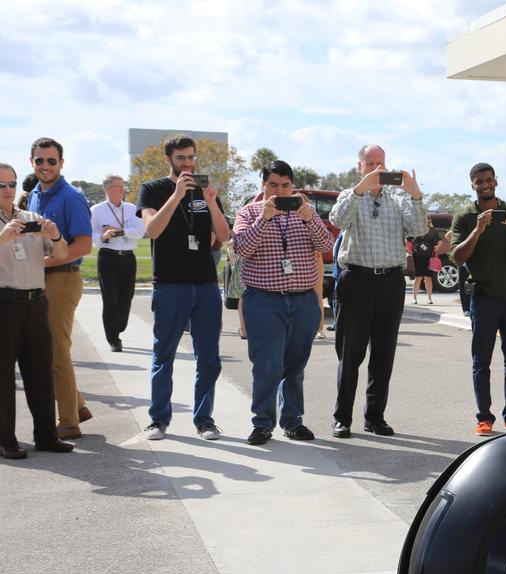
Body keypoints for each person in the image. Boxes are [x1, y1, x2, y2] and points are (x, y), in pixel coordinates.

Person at [328, 143, 429, 438]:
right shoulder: (350, 195)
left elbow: (419, 229)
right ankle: (342, 418)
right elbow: (337, 220)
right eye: (370, 164)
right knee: (351, 353)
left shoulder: (398, 199)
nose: (376, 169)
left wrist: (415, 193)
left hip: (390, 282)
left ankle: (375, 417)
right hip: (356, 280)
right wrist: (361, 188)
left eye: (380, 163)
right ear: (359, 166)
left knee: (384, 353)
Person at [231, 160, 334, 445]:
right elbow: (242, 248)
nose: (279, 191)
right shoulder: (249, 212)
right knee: (267, 365)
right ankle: (263, 423)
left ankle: (292, 421)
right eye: (273, 185)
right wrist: (263, 219)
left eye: (286, 185)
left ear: (293, 187)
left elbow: (327, 246)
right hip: (264, 300)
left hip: (303, 300)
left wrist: (310, 219)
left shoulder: (305, 212)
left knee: (295, 367)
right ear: (263, 185)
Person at [137, 135, 229, 441]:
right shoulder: (152, 189)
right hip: (169, 285)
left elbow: (224, 235)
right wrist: (177, 195)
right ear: (169, 159)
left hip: (205, 285)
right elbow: (152, 230)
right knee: (164, 355)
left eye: (191, 157)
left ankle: (204, 420)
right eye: (181, 158)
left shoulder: (205, 190)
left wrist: (212, 201)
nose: (188, 164)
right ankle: (158, 420)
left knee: (209, 358)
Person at [451, 162, 506, 435]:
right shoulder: (465, 217)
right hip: (484, 299)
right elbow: (458, 257)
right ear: (472, 185)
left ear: (495, 181)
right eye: (479, 181)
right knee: (481, 362)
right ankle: (484, 417)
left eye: (489, 180)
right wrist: (477, 230)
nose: (485, 185)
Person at [0, 161, 74, 459]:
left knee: (41, 371)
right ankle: (5, 440)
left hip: (35, 301)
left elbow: (62, 253)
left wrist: (54, 235)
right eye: (1, 185)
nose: (7, 190)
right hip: (4, 303)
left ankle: (46, 436)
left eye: (11, 184)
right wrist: (3, 238)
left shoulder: (31, 217)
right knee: (3, 376)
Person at [26, 138, 93, 440]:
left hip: (62, 279)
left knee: (56, 351)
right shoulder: (34, 196)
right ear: (32, 162)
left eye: (51, 161)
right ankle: (77, 405)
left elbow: (84, 245)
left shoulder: (72, 197)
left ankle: (68, 422)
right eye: (40, 160)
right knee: (45, 349)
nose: (45, 166)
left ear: (61, 163)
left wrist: (44, 262)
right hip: (39, 279)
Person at [89, 175, 145, 353]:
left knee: (126, 296)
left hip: (128, 258)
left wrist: (121, 231)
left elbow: (139, 231)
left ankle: (118, 326)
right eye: (118, 186)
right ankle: (113, 339)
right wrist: (103, 236)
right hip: (108, 258)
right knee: (110, 299)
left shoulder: (131, 208)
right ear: (108, 189)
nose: (122, 190)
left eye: (123, 186)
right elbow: (90, 236)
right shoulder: (96, 210)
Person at [410, 225, 441, 304]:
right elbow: (407, 240)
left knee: (428, 278)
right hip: (417, 256)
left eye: (427, 220)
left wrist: (437, 247)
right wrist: (409, 250)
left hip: (429, 256)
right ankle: (414, 298)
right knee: (418, 277)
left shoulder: (432, 231)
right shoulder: (415, 228)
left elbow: (440, 241)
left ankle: (429, 298)